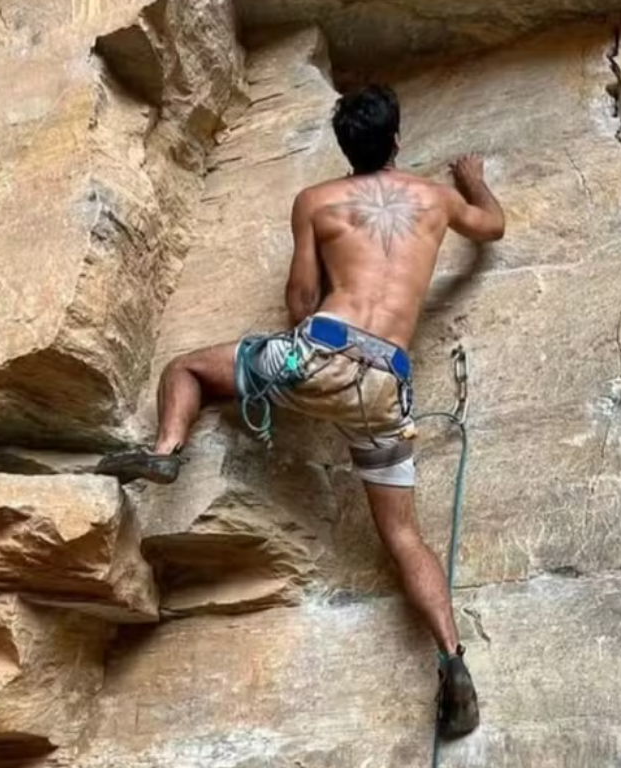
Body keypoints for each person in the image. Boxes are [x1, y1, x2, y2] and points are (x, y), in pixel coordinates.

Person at [95, 84, 506, 739]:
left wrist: (299, 359)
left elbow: (299, 298)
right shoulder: (436, 199)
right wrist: (475, 180)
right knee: (404, 537)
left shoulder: (317, 202)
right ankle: (452, 659)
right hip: (383, 387)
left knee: (187, 369)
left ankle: (166, 452)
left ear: (346, 146)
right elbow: (492, 227)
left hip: (318, 353)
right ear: (397, 140)